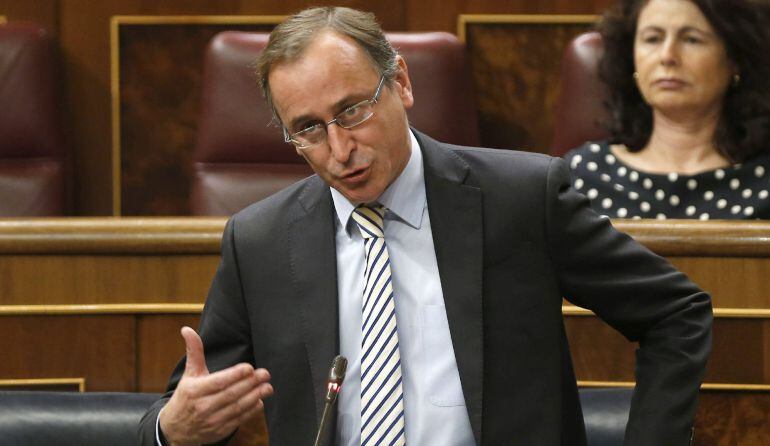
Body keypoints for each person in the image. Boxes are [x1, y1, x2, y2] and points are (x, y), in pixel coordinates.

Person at [140, 6, 712, 445]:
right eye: (309, 129)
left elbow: (674, 314)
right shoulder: (260, 241)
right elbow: (189, 403)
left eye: (353, 111)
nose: (341, 150)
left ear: (402, 83)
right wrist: (173, 426)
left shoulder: (520, 200)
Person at [565, 0, 770, 220]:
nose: (667, 56)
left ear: (735, 60)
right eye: (652, 39)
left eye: (692, 39)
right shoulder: (583, 174)